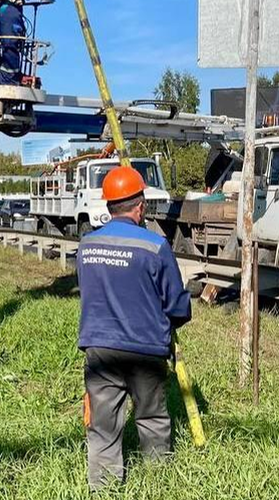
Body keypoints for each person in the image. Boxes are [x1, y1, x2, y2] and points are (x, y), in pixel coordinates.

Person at [76, 166, 192, 490]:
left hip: (99, 349)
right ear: (139, 206)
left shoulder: (87, 246)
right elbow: (176, 306)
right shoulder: (155, 246)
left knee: (102, 426)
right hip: (146, 350)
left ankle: (104, 488)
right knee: (152, 419)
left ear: (109, 205)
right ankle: (158, 484)